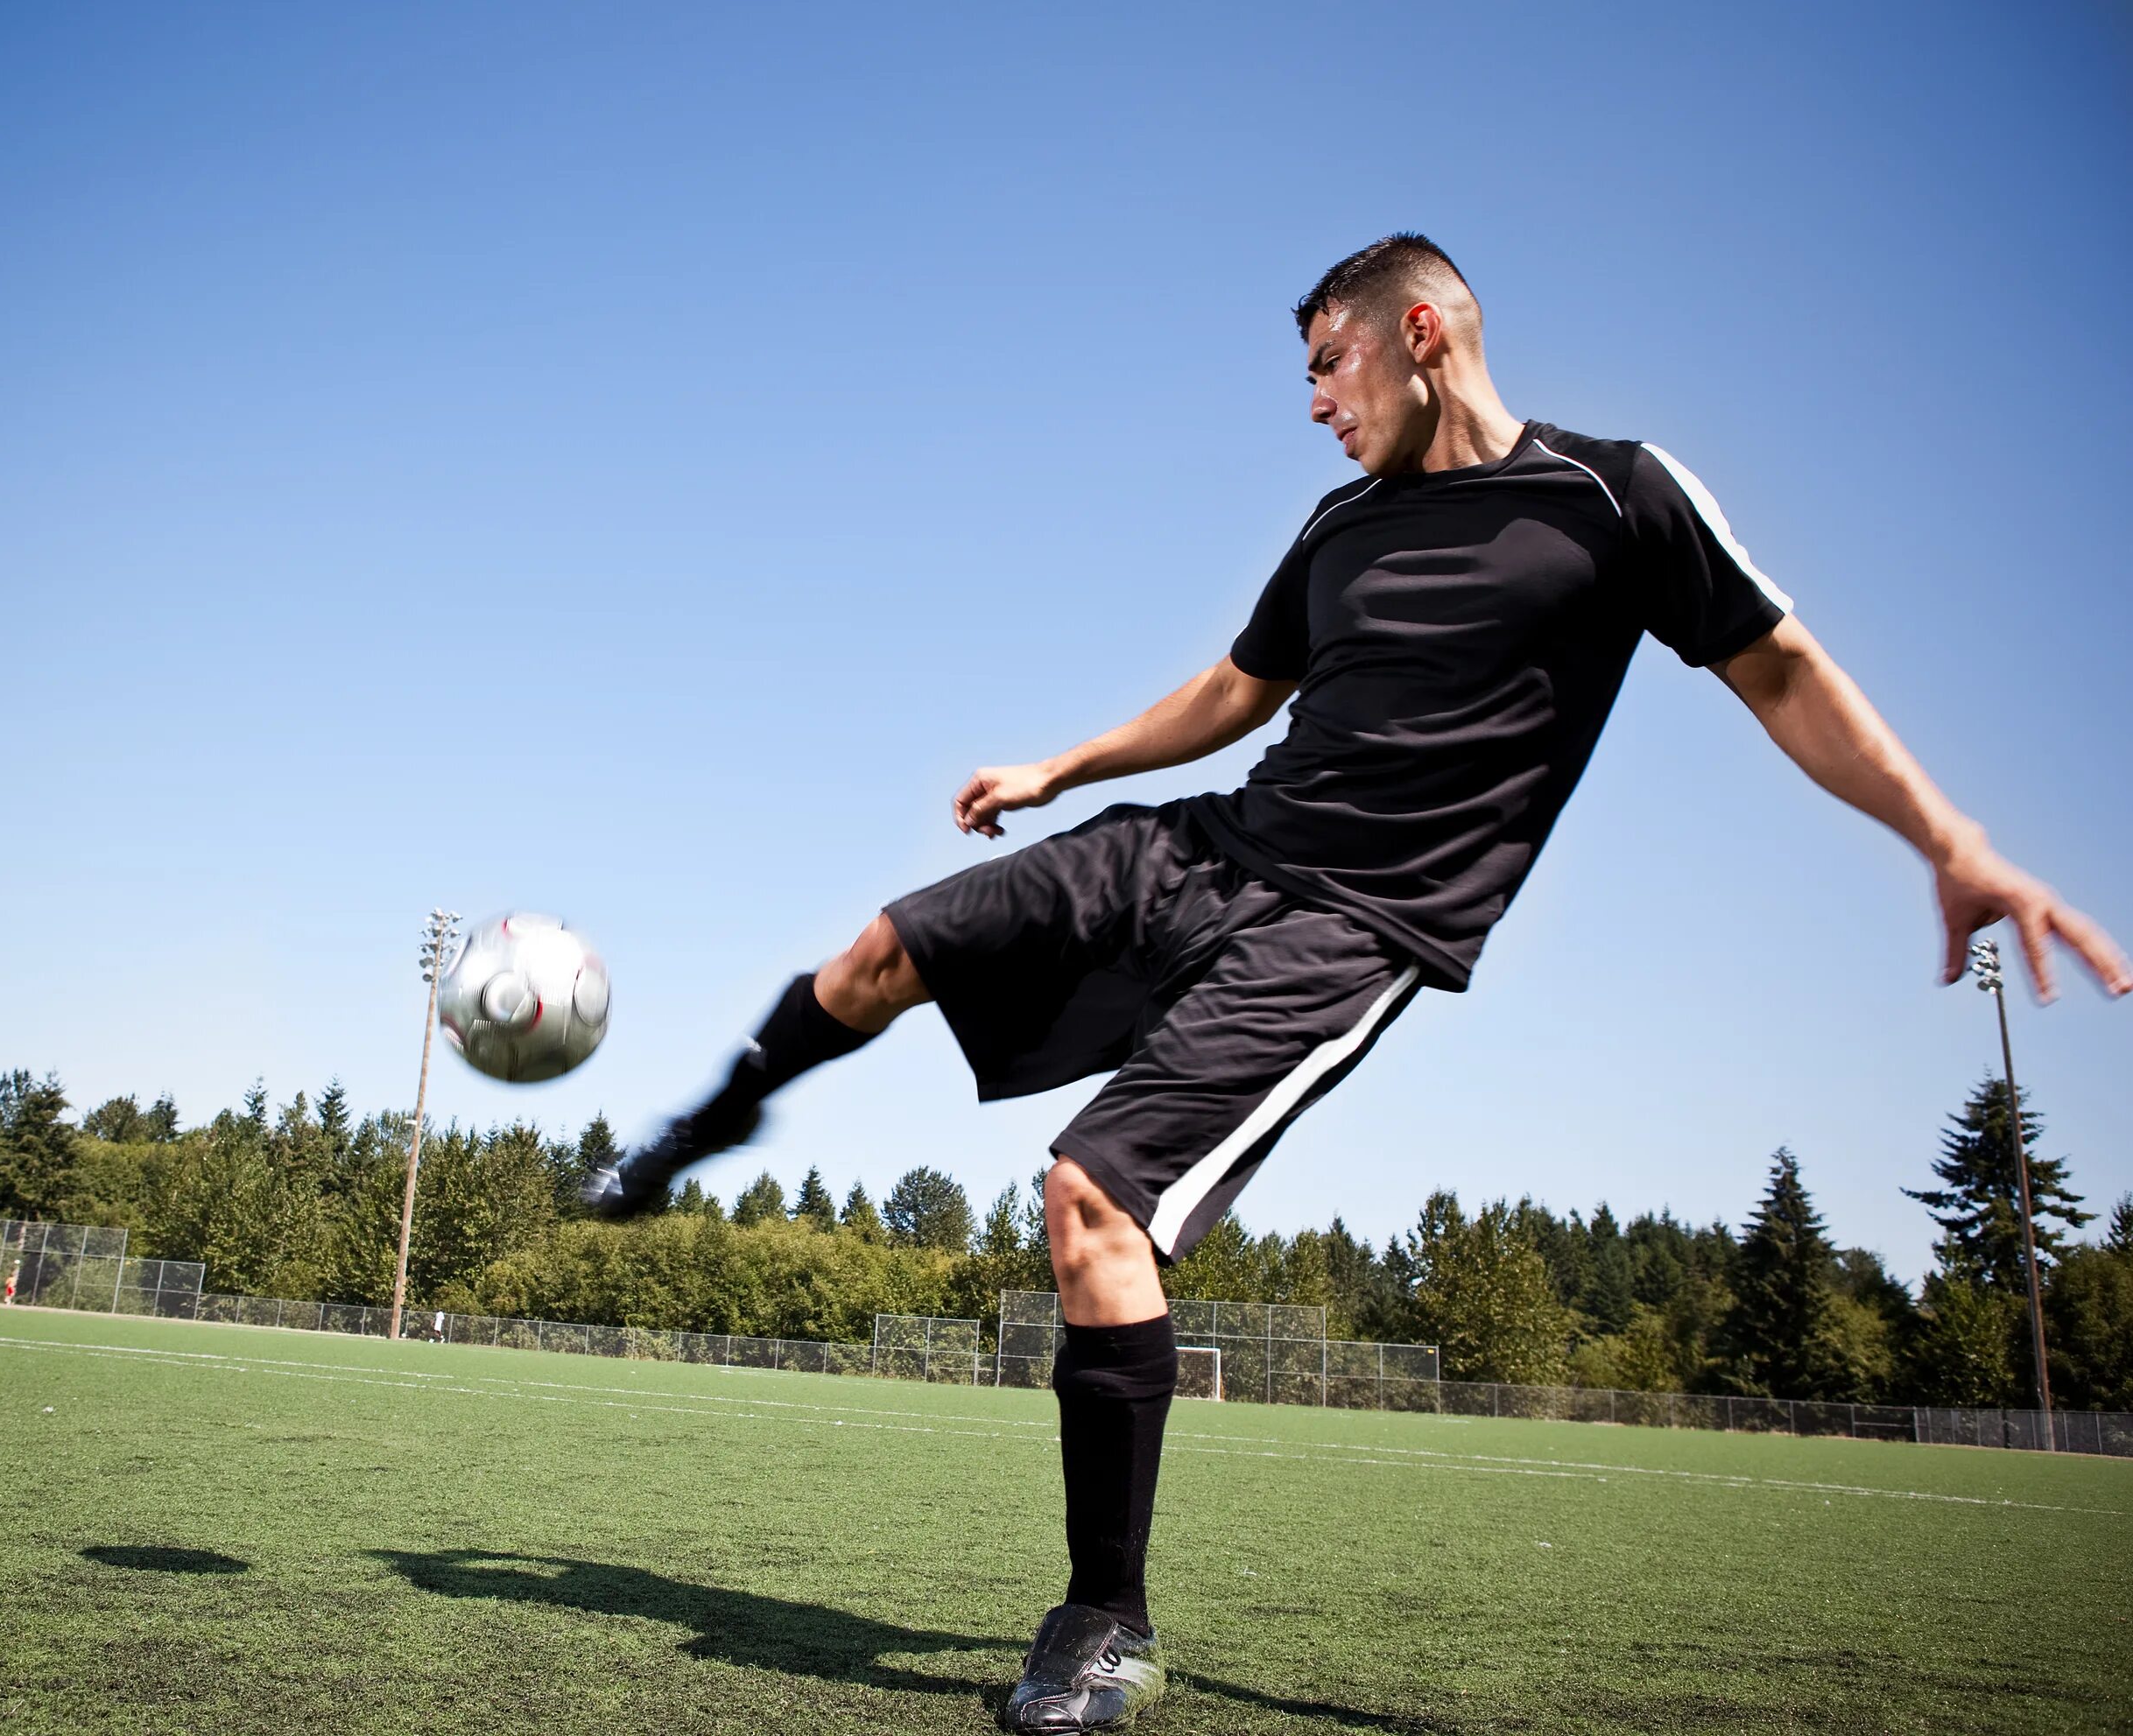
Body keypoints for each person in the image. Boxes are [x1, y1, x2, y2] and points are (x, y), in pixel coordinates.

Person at [583, 235, 2129, 1732]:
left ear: (1421, 334)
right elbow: (1232, 693)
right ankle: (703, 1125)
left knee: (1090, 1207)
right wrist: (1068, 764)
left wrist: (1952, 836)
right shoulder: (1338, 528)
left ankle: (1102, 1622)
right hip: (1206, 847)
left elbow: (1780, 669)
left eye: (1327, 366)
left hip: (1353, 926)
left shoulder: (1615, 498)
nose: (1314, 402)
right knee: (886, 948)